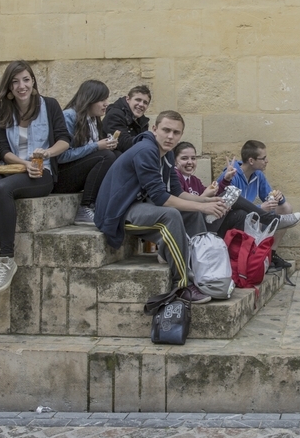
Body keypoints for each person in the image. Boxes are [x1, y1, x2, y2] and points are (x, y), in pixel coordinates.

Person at [94, 111, 232, 304]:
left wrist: (206, 202)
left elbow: (177, 192)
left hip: (142, 206)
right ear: (154, 129)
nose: (170, 136)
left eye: (176, 132)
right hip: (118, 212)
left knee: (191, 213)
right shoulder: (146, 150)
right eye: (166, 130)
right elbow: (161, 198)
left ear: (181, 135)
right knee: (171, 216)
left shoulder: (167, 155)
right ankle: (182, 285)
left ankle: (203, 274)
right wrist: (201, 207)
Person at [0, 61, 70, 294]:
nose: (21, 86)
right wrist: (24, 164)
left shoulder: (49, 105)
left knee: (1, 189)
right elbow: (1, 148)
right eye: (15, 82)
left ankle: (7, 259)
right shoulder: (2, 110)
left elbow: (64, 139)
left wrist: (46, 153)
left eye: (25, 79)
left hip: (41, 172)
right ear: (8, 87)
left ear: (33, 81)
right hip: (13, 167)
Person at [174, 142, 300, 231]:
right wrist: (206, 195)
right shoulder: (175, 176)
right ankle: (271, 220)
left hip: (211, 221)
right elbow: (186, 205)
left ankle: (242, 257)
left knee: (240, 214)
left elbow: (217, 197)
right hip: (194, 225)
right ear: (175, 161)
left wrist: (226, 180)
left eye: (193, 158)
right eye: (184, 158)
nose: (190, 162)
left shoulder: (195, 180)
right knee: (234, 195)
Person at [54, 80, 119, 226]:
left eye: (106, 99)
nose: (106, 104)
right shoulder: (69, 116)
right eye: (102, 100)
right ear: (90, 99)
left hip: (77, 174)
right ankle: (85, 208)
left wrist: (106, 145)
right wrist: (96, 146)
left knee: (116, 156)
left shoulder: (94, 119)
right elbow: (61, 156)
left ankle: (104, 204)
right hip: (61, 177)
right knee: (106, 156)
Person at [216, 140, 298, 249]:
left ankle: (272, 253)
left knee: (286, 207)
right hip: (229, 221)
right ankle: (254, 254)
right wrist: (260, 208)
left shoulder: (258, 174)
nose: (266, 161)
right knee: (253, 216)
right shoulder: (231, 175)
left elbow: (269, 196)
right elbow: (226, 207)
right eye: (263, 158)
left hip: (249, 217)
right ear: (251, 160)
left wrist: (278, 197)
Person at [102, 85, 151, 153]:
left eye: (145, 103)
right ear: (128, 99)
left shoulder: (142, 121)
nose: (141, 104)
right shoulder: (115, 115)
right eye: (138, 100)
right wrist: (151, 140)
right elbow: (123, 144)